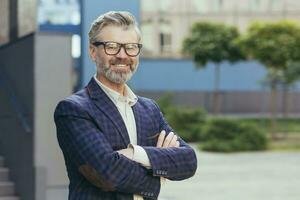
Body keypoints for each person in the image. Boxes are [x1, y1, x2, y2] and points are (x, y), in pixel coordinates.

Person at [54, 11, 197, 200]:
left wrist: (134, 154)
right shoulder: (74, 109)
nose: (122, 55)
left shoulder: (149, 109)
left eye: (131, 47)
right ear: (92, 52)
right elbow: (107, 174)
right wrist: (159, 170)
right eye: (111, 46)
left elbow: (188, 160)